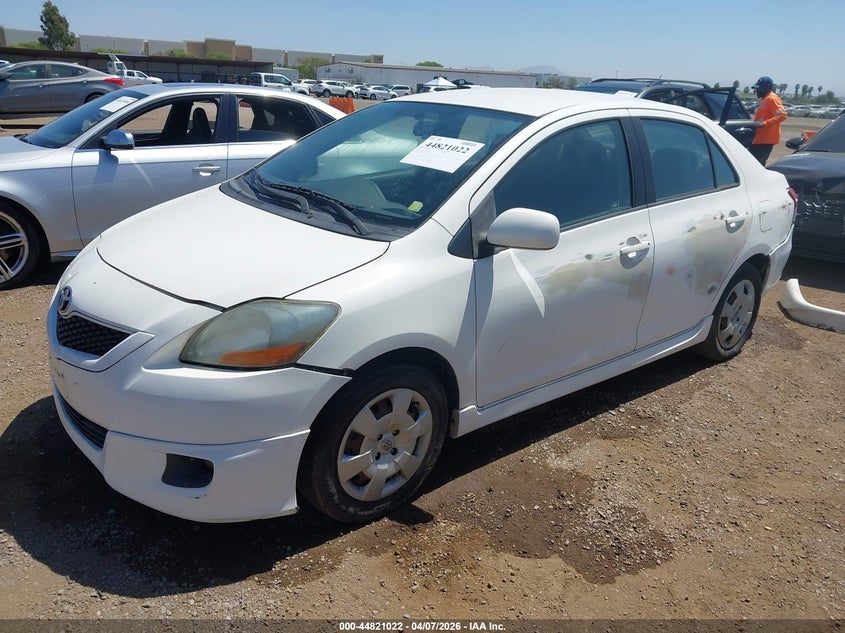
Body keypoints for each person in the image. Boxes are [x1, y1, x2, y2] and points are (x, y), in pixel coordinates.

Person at [749, 76, 787, 166]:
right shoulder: (764, 99)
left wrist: (764, 124)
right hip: (759, 138)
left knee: (757, 164)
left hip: (766, 139)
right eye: (756, 89)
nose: (757, 91)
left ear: (768, 88)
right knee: (752, 163)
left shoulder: (772, 99)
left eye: (760, 89)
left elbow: (782, 115)